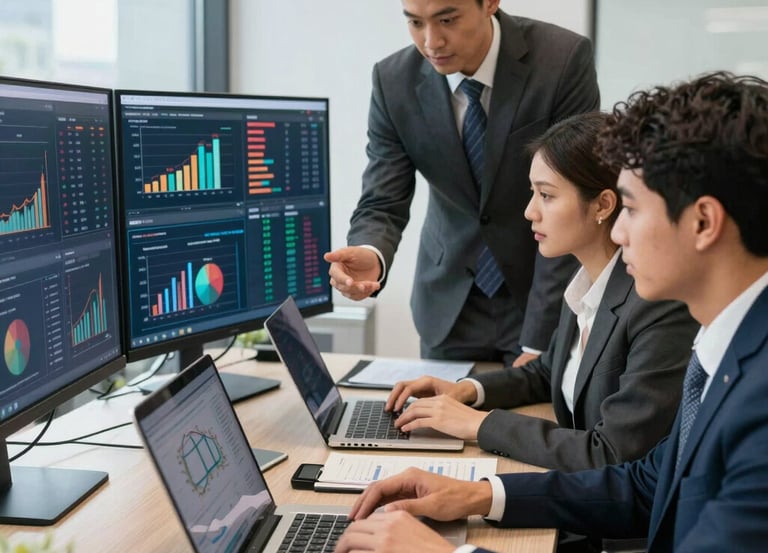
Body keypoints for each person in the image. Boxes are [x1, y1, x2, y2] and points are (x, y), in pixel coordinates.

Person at [334, 71, 768, 553]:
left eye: (631, 209)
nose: (618, 233)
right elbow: (646, 484)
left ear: (703, 222)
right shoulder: (724, 348)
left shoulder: (759, 400)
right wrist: (480, 495)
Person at [385, 111, 698, 473]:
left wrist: (478, 425)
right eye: (533, 193)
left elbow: (611, 453)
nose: (529, 211)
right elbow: (548, 372)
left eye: (546, 195)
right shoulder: (585, 282)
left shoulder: (657, 305)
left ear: (603, 205)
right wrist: (466, 390)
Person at [324, 0, 599, 365]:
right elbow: (383, 198)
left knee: (535, 403)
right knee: (438, 404)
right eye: (415, 23)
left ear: (490, 3)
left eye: (447, 19)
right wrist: (372, 253)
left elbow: (575, 200)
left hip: (540, 292)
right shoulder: (393, 81)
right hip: (449, 305)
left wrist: (539, 339)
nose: (431, 41)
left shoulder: (561, 60)